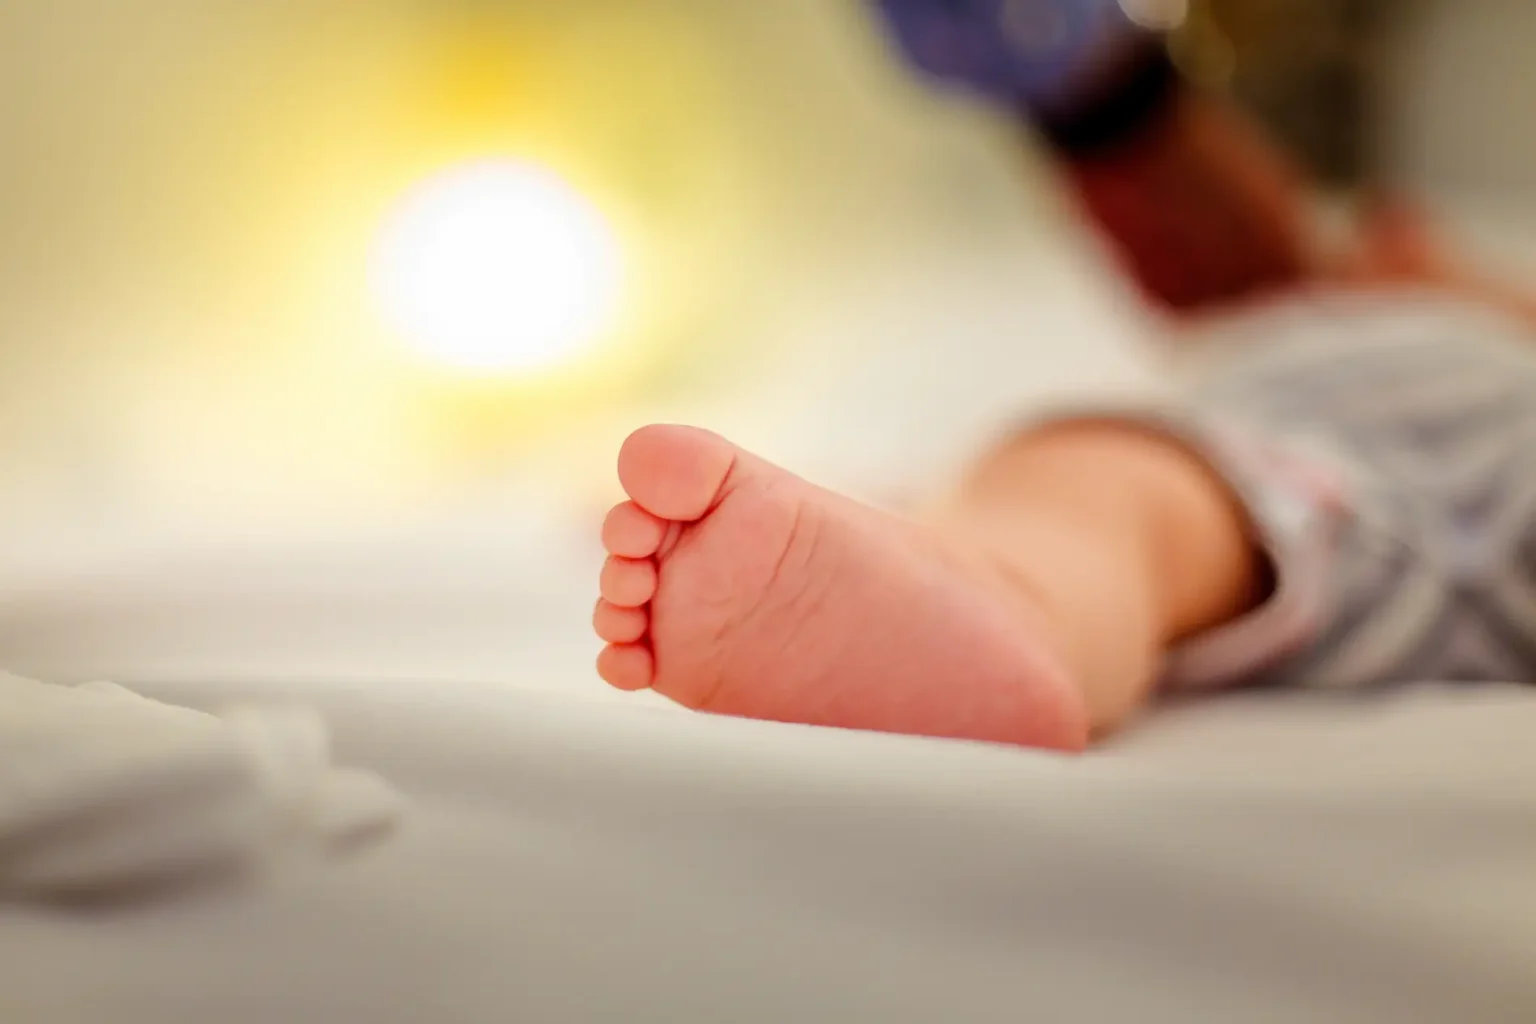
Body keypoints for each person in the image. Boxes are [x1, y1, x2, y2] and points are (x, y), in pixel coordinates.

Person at [584, 6, 1536, 750]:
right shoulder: (1274, 389)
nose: (1392, 232)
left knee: (1105, 483)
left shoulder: (1389, 341)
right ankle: (980, 591)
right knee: (1124, 503)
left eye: (1402, 239)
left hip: (1307, 458)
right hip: (1339, 541)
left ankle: (1011, 593)